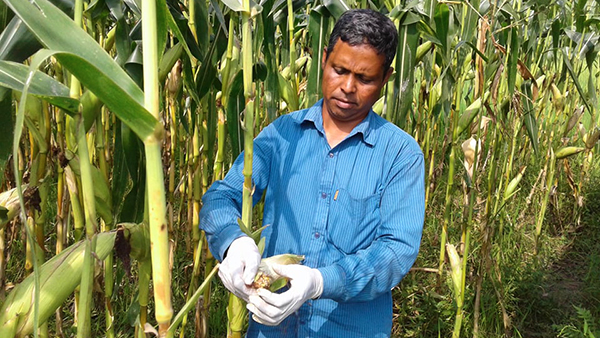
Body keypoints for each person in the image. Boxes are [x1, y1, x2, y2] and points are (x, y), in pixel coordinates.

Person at [200, 8, 425, 338]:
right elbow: (222, 196)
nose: (348, 87)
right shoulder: (282, 136)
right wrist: (233, 243)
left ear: (386, 79)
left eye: (365, 79)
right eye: (339, 70)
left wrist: (319, 282)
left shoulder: (401, 155)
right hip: (270, 328)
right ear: (323, 59)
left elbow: (395, 252)